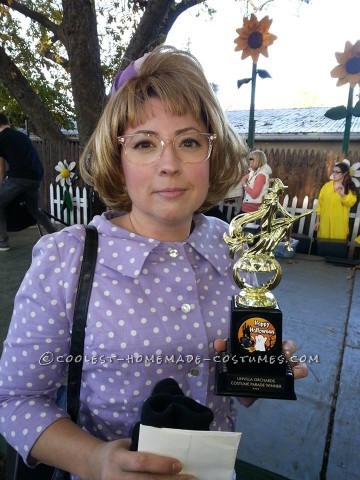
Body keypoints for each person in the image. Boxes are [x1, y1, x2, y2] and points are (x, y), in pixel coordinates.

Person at [0, 46, 307, 480]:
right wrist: (94, 459)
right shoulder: (66, 260)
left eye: (188, 141)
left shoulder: (235, 247)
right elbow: (15, 400)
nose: (170, 164)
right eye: (144, 143)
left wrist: (258, 371)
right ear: (117, 158)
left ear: (211, 153)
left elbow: (241, 393)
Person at [0, 113, 56, 251]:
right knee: (33, 209)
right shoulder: (22, 136)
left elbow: (0, 167)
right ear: (8, 122)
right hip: (35, 177)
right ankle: (56, 235)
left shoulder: (1, 138)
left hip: (18, 177)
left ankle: (2, 241)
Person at [315, 160, 357, 240]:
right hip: (325, 223)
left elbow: (351, 203)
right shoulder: (326, 186)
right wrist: (318, 221)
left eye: (337, 172)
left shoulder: (348, 188)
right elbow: (320, 205)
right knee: (323, 246)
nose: (334, 174)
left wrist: (343, 195)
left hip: (339, 224)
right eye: (333, 171)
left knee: (336, 247)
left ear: (344, 173)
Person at [240, 149, 272, 213]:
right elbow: (243, 178)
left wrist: (245, 184)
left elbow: (254, 195)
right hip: (248, 207)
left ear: (257, 160)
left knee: (234, 222)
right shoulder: (254, 172)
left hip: (252, 209)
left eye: (251, 159)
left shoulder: (261, 176)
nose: (249, 161)